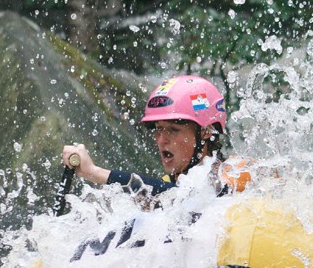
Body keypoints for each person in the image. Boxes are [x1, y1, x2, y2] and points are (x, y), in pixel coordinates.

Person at [62, 75, 251, 205]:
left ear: (206, 131)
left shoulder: (238, 171)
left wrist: (94, 172)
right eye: (159, 129)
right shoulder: (165, 184)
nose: (161, 140)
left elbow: (191, 198)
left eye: (173, 130)